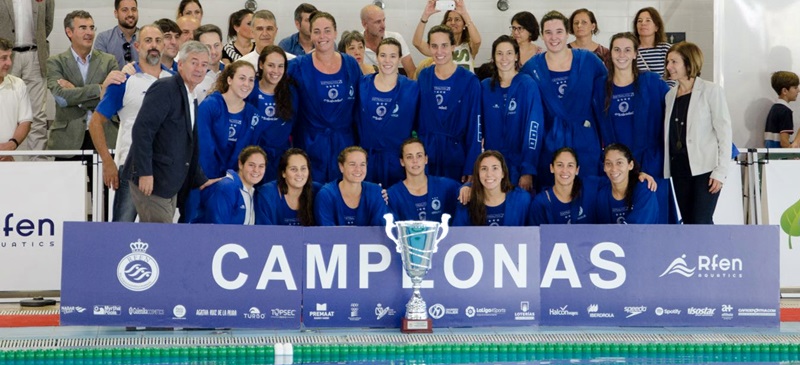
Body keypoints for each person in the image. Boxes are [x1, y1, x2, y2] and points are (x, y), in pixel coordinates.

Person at [123, 41, 217, 223]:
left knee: (159, 241)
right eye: (194, 62)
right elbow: (143, 131)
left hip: (169, 183)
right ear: (180, 64)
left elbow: (187, 144)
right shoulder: (165, 88)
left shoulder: (192, 96)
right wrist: (145, 172)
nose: (199, 68)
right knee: (159, 240)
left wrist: (200, 178)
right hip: (153, 181)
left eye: (204, 65)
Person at [88, 25, 172, 222]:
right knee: (122, 230)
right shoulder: (123, 80)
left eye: (158, 41)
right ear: (137, 45)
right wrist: (107, 161)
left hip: (165, 169)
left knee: (162, 234)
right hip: (131, 166)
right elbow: (95, 122)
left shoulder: (174, 80)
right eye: (148, 41)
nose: (154, 46)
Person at [521, 10, 607, 186]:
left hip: (585, 140)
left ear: (568, 33)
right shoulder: (531, 68)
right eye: (548, 32)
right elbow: (527, 114)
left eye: (559, 31)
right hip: (549, 143)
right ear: (542, 35)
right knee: (553, 197)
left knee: (587, 194)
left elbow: (606, 97)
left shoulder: (589, 61)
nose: (554, 37)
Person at [595, 32, 671, 223]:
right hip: (618, 167)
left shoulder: (651, 82)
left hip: (652, 163)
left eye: (628, 50)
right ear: (610, 53)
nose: (622, 55)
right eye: (617, 50)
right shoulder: (600, 88)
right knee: (620, 220)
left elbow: (678, 111)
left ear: (636, 53)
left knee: (656, 220)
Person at [663, 42, 732, 224]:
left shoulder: (711, 90)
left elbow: (724, 133)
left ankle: (712, 252)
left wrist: (721, 171)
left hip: (705, 169)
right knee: (689, 221)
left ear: (689, 63)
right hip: (679, 168)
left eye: (674, 62)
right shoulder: (670, 95)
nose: (669, 66)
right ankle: (699, 253)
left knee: (701, 221)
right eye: (668, 61)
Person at [287, 11, 361, 182]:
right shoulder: (297, 67)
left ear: (335, 33)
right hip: (309, 143)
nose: (322, 36)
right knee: (311, 196)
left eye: (327, 30)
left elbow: (359, 106)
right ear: (310, 34)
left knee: (343, 195)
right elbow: (286, 105)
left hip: (344, 143)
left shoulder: (350, 65)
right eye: (317, 31)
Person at [47, 10, 121, 157]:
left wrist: (74, 93)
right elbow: (61, 98)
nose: (89, 32)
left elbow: (113, 99)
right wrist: (98, 89)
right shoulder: (55, 62)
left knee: (105, 181)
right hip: (67, 141)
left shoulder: (109, 61)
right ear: (69, 32)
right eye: (83, 28)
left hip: (105, 137)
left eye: (92, 27)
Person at [417, 25, 481, 182]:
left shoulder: (469, 81)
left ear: (453, 47)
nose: (439, 52)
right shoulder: (424, 76)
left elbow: (475, 126)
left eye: (444, 45)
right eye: (434, 46)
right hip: (427, 154)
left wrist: (471, 165)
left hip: (456, 156)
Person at [481, 35, 543, 192]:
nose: (504, 58)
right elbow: (476, 127)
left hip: (519, 165)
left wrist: (528, 169)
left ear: (516, 56)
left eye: (509, 53)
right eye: (499, 53)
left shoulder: (528, 85)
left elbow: (534, 128)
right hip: (491, 167)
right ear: (494, 57)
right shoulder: (485, 87)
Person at [357, 38, 419, 188]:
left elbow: (420, 124)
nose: (387, 60)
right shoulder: (362, 84)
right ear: (376, 57)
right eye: (383, 55)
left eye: (393, 56)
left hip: (397, 161)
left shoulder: (412, 88)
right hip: (367, 159)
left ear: (399, 59)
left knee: (395, 205)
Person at [1, 0, 53, 160]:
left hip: (35, 54)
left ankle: (37, 165)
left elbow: (47, 23)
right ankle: (5, 158)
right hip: (6, 55)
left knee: (38, 115)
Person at [197, 60, 258, 180]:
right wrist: (215, 179)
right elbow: (204, 148)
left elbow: (251, 152)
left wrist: (235, 179)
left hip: (236, 180)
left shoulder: (253, 115)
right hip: (207, 179)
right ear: (229, 80)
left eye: (251, 80)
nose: (247, 84)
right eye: (242, 78)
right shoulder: (209, 106)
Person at [247, 45, 298, 182]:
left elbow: (296, 124)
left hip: (280, 158)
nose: (276, 71)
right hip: (252, 158)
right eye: (271, 65)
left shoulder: (291, 93)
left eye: (280, 66)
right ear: (261, 64)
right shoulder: (249, 88)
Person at [387, 138, 461, 222]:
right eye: (409, 157)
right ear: (402, 162)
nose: (415, 161)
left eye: (419, 156)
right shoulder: (393, 194)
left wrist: (466, 187)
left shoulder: (446, 186)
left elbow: (468, 192)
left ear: (426, 159)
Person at [314, 146, 389, 226]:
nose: (358, 169)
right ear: (341, 167)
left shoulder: (376, 192)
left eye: (362, 164)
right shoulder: (326, 195)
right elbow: (326, 233)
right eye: (352, 164)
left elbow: (378, 230)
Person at [453, 151, 531, 226]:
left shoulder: (522, 199)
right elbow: (458, 236)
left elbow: (533, 234)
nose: (489, 174)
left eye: (495, 168)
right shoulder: (467, 201)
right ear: (478, 174)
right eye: (484, 168)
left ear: (503, 173)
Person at [530, 147, 597, 225]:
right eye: (560, 165)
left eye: (570, 165)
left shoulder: (588, 193)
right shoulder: (540, 204)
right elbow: (536, 236)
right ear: (552, 168)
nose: (565, 170)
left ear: (577, 170)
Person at [596, 143, 659, 224]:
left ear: (630, 165)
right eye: (608, 163)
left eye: (619, 163)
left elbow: (638, 230)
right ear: (604, 167)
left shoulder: (645, 189)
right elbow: (603, 230)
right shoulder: (602, 195)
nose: (614, 169)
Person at [255, 148, 321, 226]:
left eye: (303, 169)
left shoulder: (319, 192)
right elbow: (263, 233)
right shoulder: (267, 194)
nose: (299, 174)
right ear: (283, 173)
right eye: (293, 169)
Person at [203, 146, 265, 225]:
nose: (256, 170)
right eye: (251, 165)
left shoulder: (252, 191)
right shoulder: (226, 187)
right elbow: (217, 228)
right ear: (240, 164)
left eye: (261, 166)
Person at [413, 0, 481, 72]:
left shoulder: (469, 45)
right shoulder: (439, 48)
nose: (453, 22)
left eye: (457, 19)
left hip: (467, 83)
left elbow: (477, 41)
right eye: (449, 19)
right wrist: (425, 15)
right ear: (445, 24)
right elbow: (417, 43)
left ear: (464, 25)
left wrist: (464, 14)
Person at [360, 4, 416, 78]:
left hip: (394, 86)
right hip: (367, 87)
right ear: (364, 24)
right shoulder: (355, 44)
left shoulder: (396, 38)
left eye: (384, 20)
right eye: (377, 22)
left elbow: (411, 72)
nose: (383, 26)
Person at [0, 38, 32, 162]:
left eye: (10, 57)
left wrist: (11, 145)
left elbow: (25, 121)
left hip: (9, 161)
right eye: (3, 58)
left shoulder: (18, 84)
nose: (9, 63)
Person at [95, 0, 139, 69]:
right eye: (125, 10)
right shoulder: (104, 39)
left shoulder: (147, 38)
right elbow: (100, 72)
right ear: (116, 13)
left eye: (134, 9)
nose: (130, 14)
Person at [764, 71, 800, 148]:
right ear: (784, 91)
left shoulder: (775, 108)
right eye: (795, 87)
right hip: (779, 156)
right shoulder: (785, 111)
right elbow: (784, 143)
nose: (798, 90)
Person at [633, 7, 670, 77]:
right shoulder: (631, 49)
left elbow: (672, 77)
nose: (643, 23)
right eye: (639, 21)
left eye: (648, 20)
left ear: (656, 27)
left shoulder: (666, 49)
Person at [193, 24, 225, 103]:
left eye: (216, 45)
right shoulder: (191, 76)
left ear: (222, 45)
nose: (213, 51)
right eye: (207, 47)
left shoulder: (231, 72)